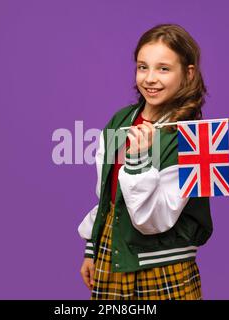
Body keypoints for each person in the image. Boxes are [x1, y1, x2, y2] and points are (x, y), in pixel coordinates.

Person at [78, 24, 213, 300]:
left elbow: (152, 221)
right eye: (143, 67)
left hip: (164, 267)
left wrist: (139, 159)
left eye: (163, 68)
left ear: (188, 74)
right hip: (112, 254)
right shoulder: (120, 121)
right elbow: (106, 195)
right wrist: (92, 249)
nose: (150, 78)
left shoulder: (199, 140)